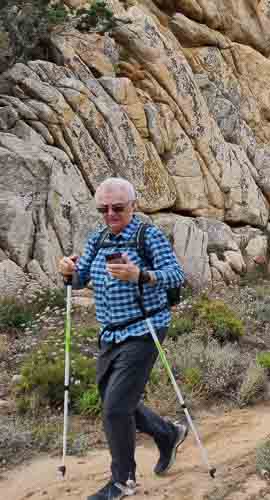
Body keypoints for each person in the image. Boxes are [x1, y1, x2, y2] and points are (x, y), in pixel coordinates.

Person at [57, 178, 187, 500]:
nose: (110, 214)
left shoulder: (148, 235)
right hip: (110, 333)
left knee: (116, 408)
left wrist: (140, 275)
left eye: (118, 207)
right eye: (104, 209)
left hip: (145, 328)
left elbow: (176, 275)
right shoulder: (98, 239)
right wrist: (68, 270)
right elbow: (80, 277)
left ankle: (122, 481)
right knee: (115, 401)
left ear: (134, 205)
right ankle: (168, 434)